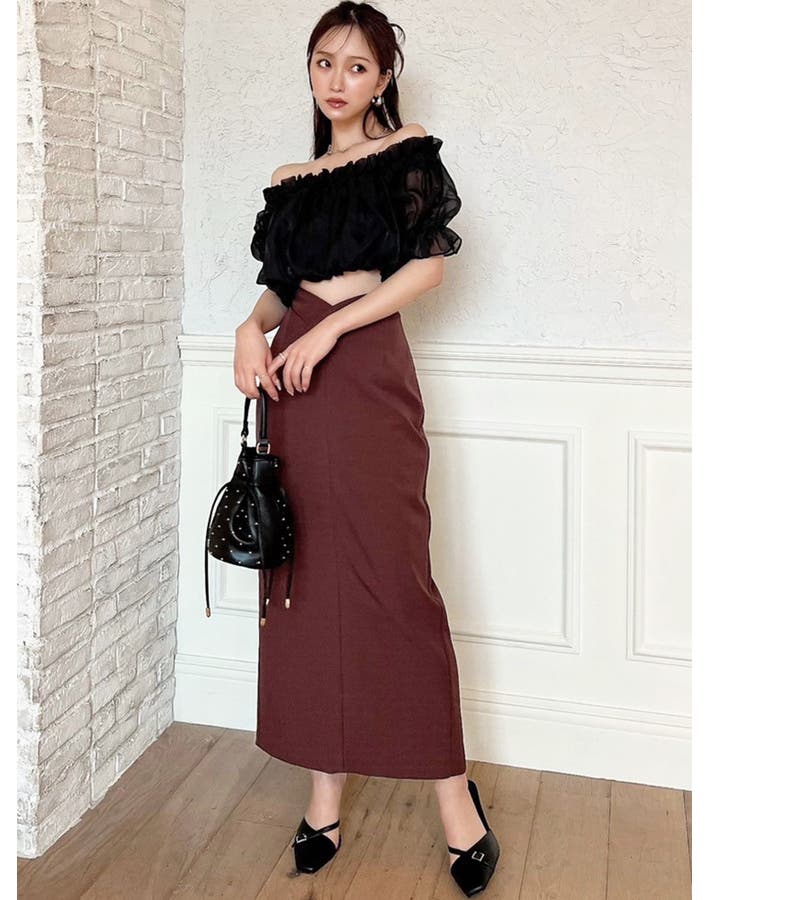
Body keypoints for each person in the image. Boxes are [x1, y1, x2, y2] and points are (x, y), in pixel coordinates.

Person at [233, 3, 499, 895]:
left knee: (395, 582)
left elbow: (426, 266)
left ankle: (454, 798)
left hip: (366, 374)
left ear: (384, 78)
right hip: (293, 389)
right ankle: (324, 798)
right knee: (303, 584)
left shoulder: (406, 151)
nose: (336, 80)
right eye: (323, 62)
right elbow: (279, 288)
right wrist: (251, 327)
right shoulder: (290, 177)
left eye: (355, 65)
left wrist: (330, 329)